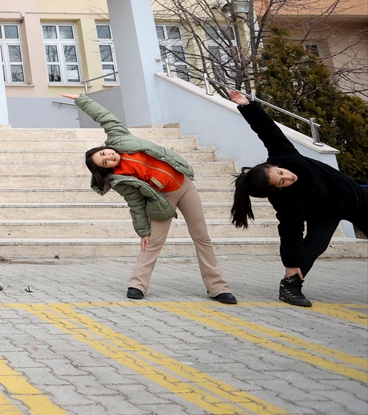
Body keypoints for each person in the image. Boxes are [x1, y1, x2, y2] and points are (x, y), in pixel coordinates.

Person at [69, 92, 236, 304]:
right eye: (104, 162)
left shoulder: (120, 138)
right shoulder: (120, 179)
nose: (108, 157)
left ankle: (218, 288)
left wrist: (81, 100)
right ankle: (137, 285)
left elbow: (105, 117)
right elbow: (135, 204)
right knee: (153, 242)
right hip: (163, 199)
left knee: (201, 236)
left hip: (185, 186)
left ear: (106, 148)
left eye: (104, 153)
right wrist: (143, 231)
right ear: (105, 169)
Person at [229, 90, 368, 307]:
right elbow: (290, 231)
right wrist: (291, 263)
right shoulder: (286, 200)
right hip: (325, 213)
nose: (289, 177)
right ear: (276, 190)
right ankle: (290, 287)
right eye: (281, 181)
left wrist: (247, 106)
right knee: (314, 246)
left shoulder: (284, 155)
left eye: (281, 173)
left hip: (356, 199)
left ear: (274, 165)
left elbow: (267, 130)